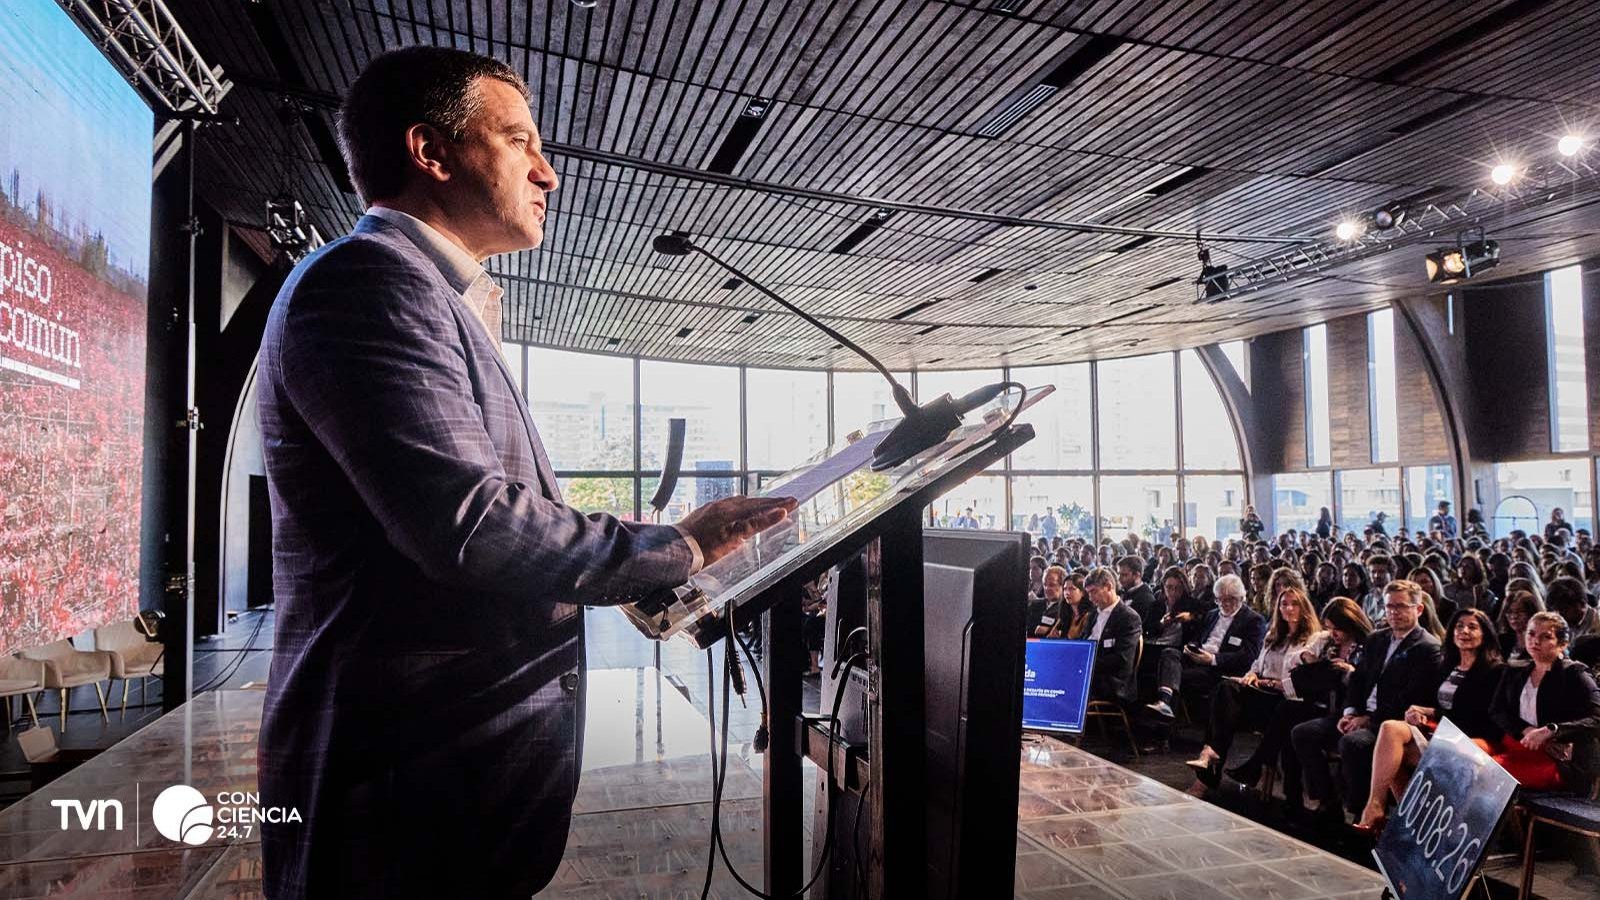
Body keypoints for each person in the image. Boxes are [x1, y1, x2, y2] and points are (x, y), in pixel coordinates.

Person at [253, 47, 797, 899]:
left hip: (448, 776)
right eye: (518, 140)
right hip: (405, 778)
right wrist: (678, 549)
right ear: (432, 153)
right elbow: (470, 523)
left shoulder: (427, 297)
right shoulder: (366, 283)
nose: (549, 173)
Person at [1291, 580, 1442, 821]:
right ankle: (1328, 802)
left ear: (1419, 609)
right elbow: (1358, 680)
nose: (1394, 613)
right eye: (1390, 607)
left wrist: (1367, 720)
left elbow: (1410, 697)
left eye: (1402, 607)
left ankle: (1361, 812)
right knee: (1303, 732)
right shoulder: (1376, 639)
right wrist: (1350, 712)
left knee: (1354, 743)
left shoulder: (1428, 648)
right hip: (1360, 714)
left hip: (1390, 724)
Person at [1354, 609, 1504, 832]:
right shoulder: (1448, 665)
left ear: (1485, 634)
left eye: (1472, 627)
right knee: (1390, 733)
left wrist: (1432, 713)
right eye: (1459, 626)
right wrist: (1421, 714)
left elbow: (1476, 715)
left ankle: (1396, 816)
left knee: (1396, 752)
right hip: (1444, 731)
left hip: (1476, 737)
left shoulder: (1495, 670)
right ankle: (1397, 813)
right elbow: (1435, 704)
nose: (1464, 631)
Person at [1185, 586, 1321, 789]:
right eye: (1284, 604)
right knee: (1226, 689)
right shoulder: (1273, 635)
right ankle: (1210, 756)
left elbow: (1301, 679)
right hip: (1262, 693)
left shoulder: (1312, 640)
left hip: (1285, 700)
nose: (1288, 609)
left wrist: (1272, 683)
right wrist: (1250, 675)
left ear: (1303, 609)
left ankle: (1210, 760)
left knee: (1225, 706)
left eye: (1294, 604)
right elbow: (1257, 664)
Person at [1485, 612, 1600, 791]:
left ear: (1563, 644)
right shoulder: (1515, 670)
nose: (1535, 641)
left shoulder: (1576, 674)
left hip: (1559, 759)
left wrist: (1552, 730)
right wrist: (1527, 730)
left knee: (1488, 775)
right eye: (1531, 634)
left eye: (1546, 637)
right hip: (1520, 745)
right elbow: (1497, 710)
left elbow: (1596, 720)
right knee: (1466, 764)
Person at [1145, 573, 1264, 719]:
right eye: (1220, 600)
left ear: (1241, 598)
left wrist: (1213, 659)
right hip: (1198, 658)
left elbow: (1249, 655)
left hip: (1219, 668)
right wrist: (1192, 648)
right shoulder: (1212, 614)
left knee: (1172, 677)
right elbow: (1198, 638)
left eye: (1230, 600)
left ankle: (1164, 714)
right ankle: (1165, 702)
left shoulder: (1253, 620)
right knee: (1170, 653)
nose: (1225, 604)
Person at [1078, 566, 1144, 706]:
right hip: (1089, 672)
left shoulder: (1128, 617)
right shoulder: (1092, 615)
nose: (1090, 598)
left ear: (1108, 586)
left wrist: (1087, 664)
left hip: (1113, 681)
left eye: (1094, 592)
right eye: (1088, 593)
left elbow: (1123, 660)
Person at [1031, 565, 1075, 639]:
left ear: (1063, 586)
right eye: (1045, 584)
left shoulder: (1069, 609)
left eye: (1052, 585)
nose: (1047, 588)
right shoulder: (1033, 605)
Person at [1117, 555, 1160, 631]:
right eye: (1119, 574)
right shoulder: (1121, 592)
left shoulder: (1145, 598)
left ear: (1137, 575)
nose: (1119, 578)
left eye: (1124, 575)